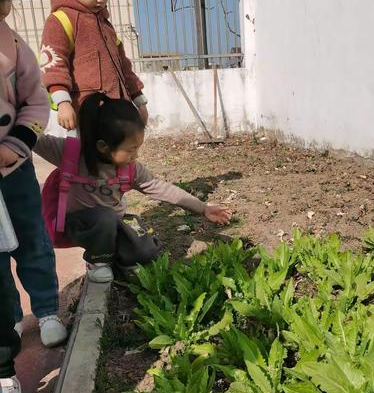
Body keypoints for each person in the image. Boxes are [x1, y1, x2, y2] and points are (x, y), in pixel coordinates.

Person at [35, 93, 232, 283]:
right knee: (104, 216)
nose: (135, 155)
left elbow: (161, 188)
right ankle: (99, 262)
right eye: (131, 149)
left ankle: (120, 259)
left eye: (138, 148)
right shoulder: (69, 154)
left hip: (112, 226)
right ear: (104, 147)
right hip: (77, 225)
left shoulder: (131, 169)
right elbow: (35, 139)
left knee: (145, 252)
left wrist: (202, 208)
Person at [0, 0, 67, 349]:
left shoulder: (13, 45)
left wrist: (14, 146)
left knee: (31, 238)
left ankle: (46, 309)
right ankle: (10, 318)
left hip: (13, 168)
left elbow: (37, 102)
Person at [39, 0, 148, 131]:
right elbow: (54, 65)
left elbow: (124, 67)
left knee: (125, 150)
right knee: (85, 151)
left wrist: (139, 101)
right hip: (88, 115)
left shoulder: (106, 26)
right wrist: (63, 103)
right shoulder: (61, 20)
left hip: (119, 112)